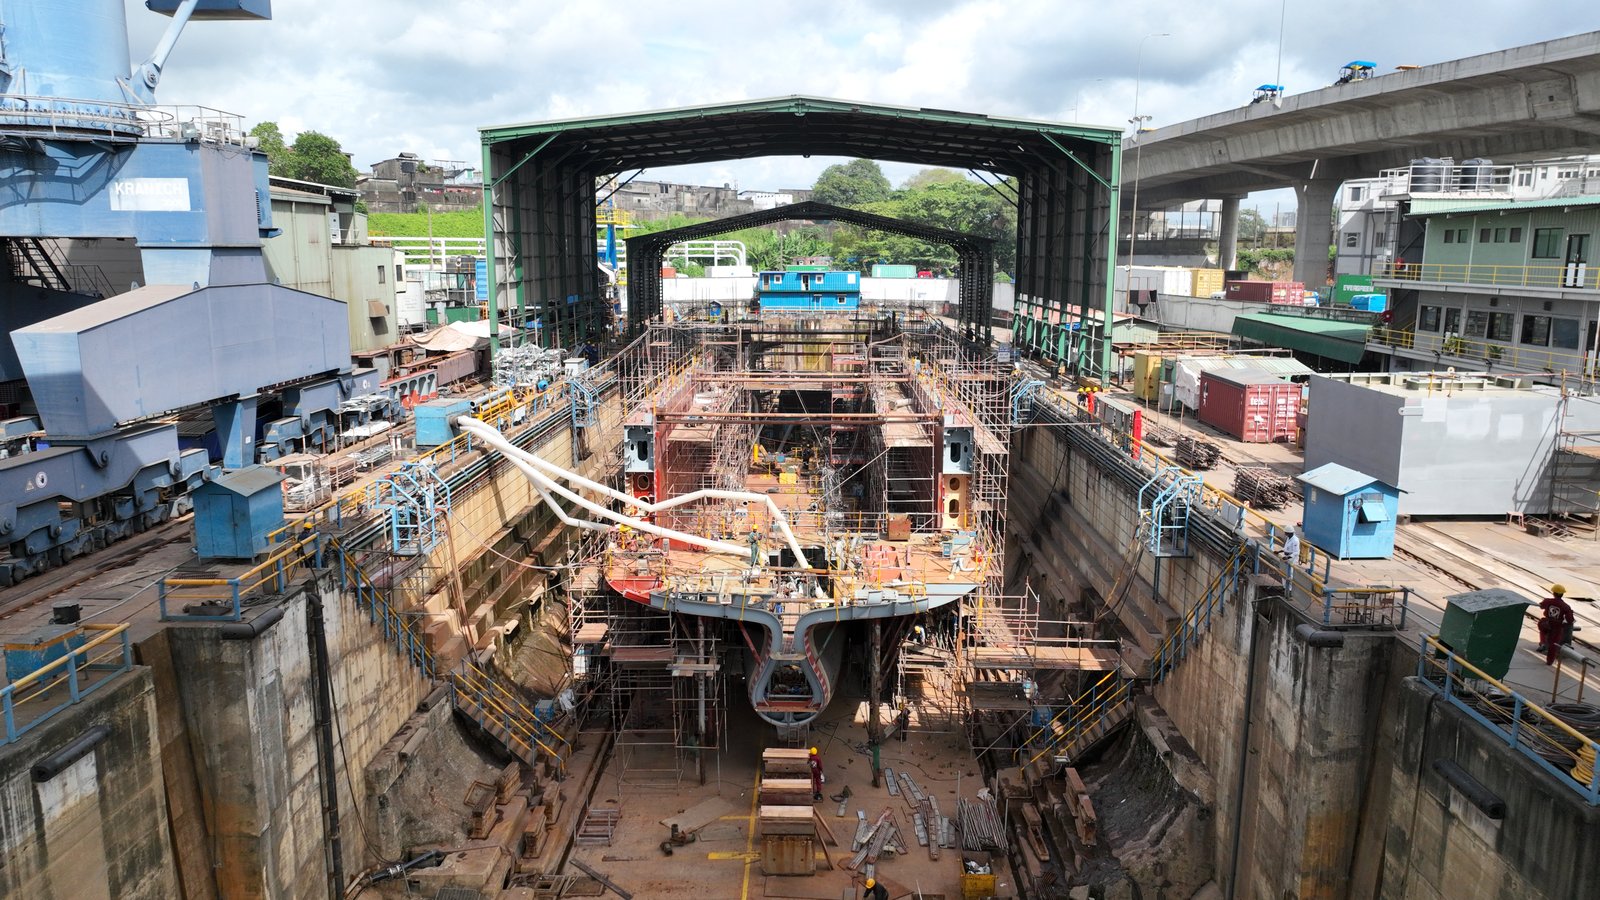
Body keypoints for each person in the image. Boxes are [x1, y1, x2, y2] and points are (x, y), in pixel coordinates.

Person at [1538, 584, 1576, 655]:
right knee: (1556, 638)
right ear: (1562, 594)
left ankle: (1543, 643)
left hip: (1547, 623)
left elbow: (1541, 606)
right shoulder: (1566, 606)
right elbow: (1570, 620)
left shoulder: (1548, 601)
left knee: (1542, 629)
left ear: (1553, 593)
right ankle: (1553, 650)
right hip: (1557, 626)